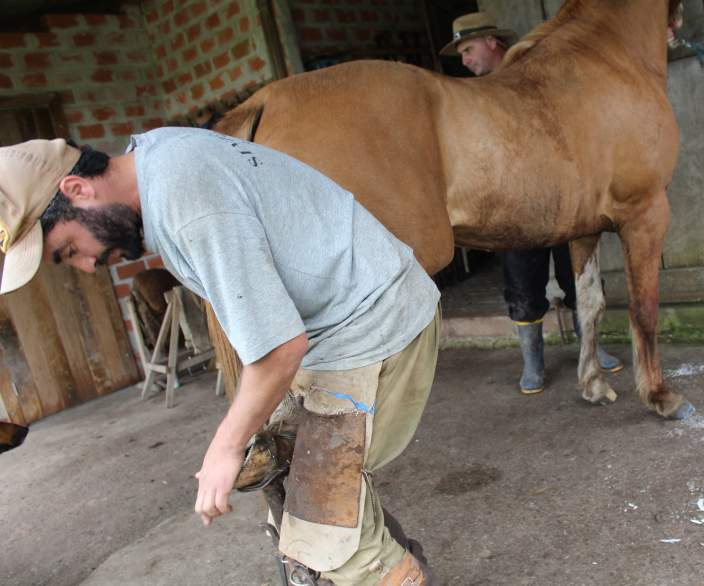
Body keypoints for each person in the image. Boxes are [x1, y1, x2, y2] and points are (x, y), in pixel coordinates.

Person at [0, 131, 439, 585]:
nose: (88, 266)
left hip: (370, 323)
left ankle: (380, 569)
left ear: (76, 189)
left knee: (323, 535)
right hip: (335, 325)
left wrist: (223, 447)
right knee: (282, 474)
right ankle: (386, 554)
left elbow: (278, 349)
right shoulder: (154, 155)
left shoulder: (185, 204)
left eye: (70, 250)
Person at [440, 12, 623, 395]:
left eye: (469, 50)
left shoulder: (534, 71)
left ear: (492, 42)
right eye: (461, 54)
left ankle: (592, 346)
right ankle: (533, 361)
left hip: (562, 194)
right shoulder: (472, 98)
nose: (465, 61)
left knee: (579, 276)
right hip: (515, 204)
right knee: (522, 282)